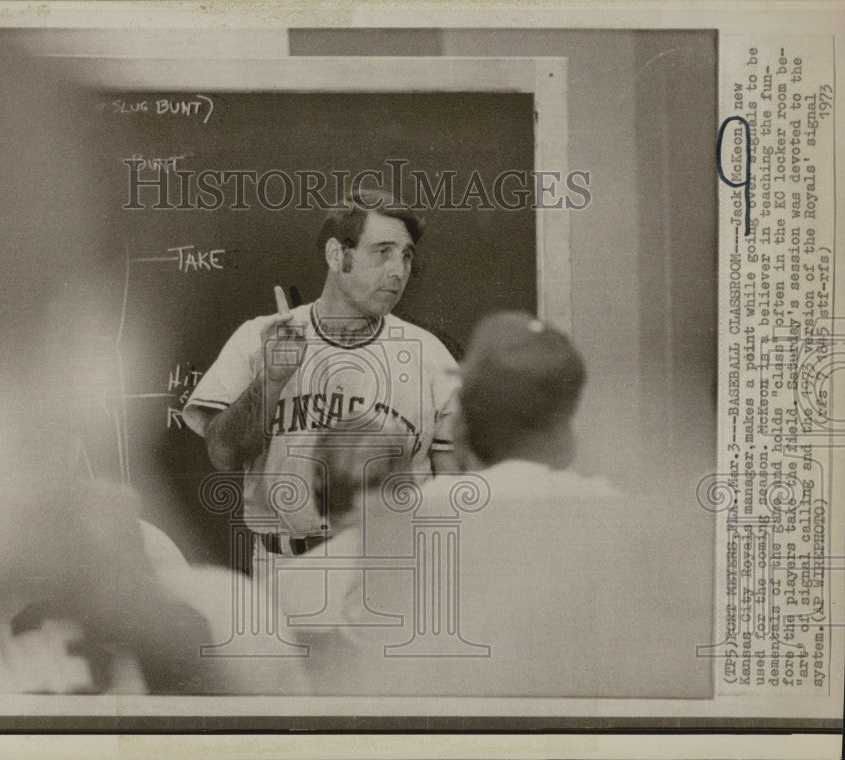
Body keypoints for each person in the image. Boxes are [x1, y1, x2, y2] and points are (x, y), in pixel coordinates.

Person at [311, 312, 711, 696]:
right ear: (565, 429)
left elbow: (360, 669)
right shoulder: (623, 515)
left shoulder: (405, 521)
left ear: (464, 423)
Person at [182, 190, 461, 556]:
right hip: (285, 560)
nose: (398, 271)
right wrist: (272, 379)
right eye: (382, 252)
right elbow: (224, 454)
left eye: (406, 256)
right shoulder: (262, 336)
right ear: (336, 255)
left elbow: (453, 482)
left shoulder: (430, 355)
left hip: (392, 559)